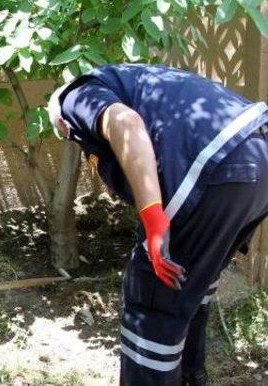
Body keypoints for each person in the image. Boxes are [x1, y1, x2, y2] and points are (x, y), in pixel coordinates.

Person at [46, 64, 268, 386]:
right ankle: (192, 375)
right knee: (191, 281)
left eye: (66, 133)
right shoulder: (140, 81)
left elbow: (125, 123)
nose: (72, 138)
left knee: (151, 303)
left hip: (214, 167)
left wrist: (152, 216)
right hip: (258, 156)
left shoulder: (76, 95)